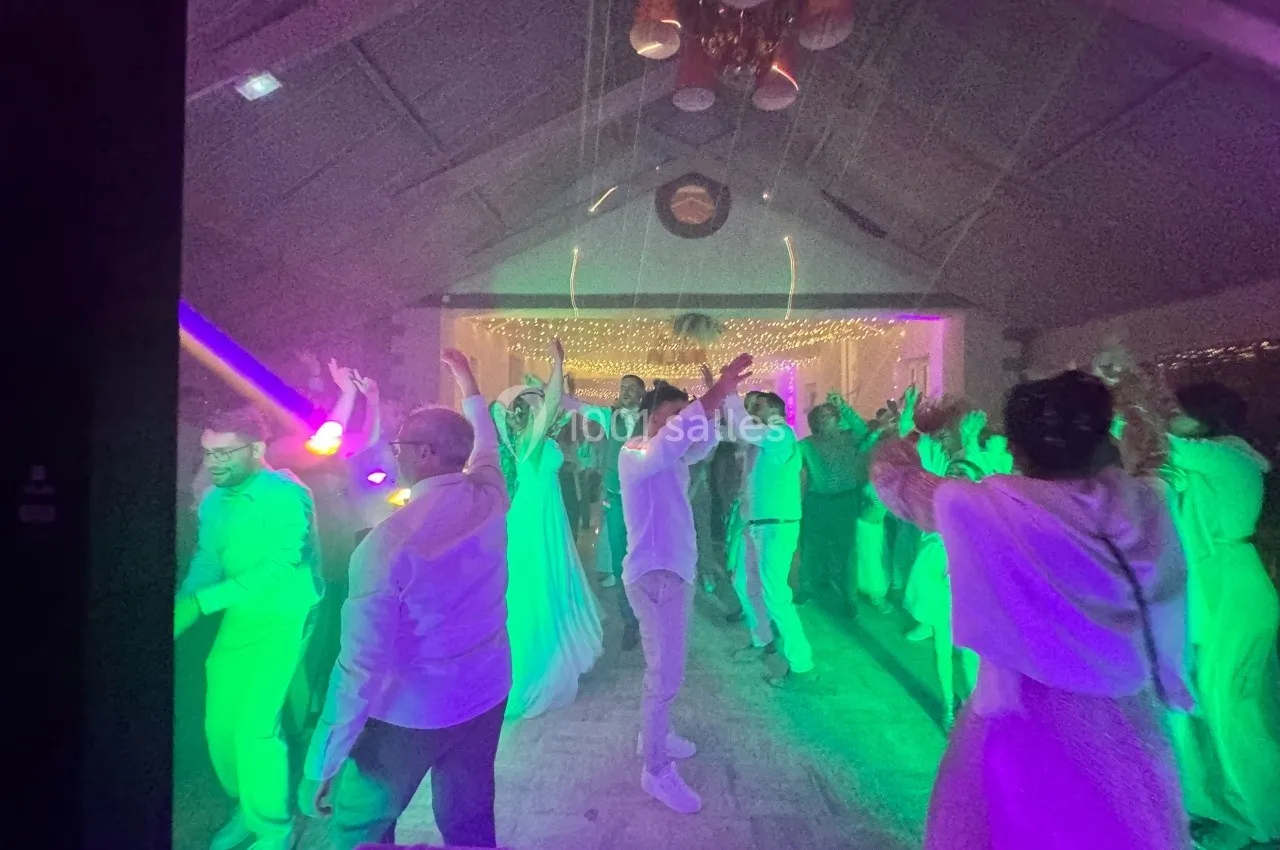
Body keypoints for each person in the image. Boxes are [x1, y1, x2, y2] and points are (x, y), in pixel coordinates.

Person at [872, 370, 1194, 850]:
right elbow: (1167, 592)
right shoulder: (1144, 503)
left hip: (1022, 714)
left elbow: (891, 477)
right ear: (1101, 437)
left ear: (1016, 449)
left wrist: (909, 430)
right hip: (1122, 715)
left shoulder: (982, 506)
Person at [297, 350, 511, 849]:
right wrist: (468, 383)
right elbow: (487, 445)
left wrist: (323, 762)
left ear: (425, 454)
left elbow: (359, 666)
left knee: (360, 828)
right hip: (485, 689)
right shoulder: (489, 497)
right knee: (470, 818)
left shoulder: (385, 546)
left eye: (401, 445)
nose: (395, 454)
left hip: (411, 711)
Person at [174, 407, 323, 850]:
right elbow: (208, 559)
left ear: (257, 449)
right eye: (208, 452)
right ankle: (248, 806)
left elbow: (282, 564)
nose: (212, 462)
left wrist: (203, 603)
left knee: (255, 725)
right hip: (242, 614)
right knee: (219, 724)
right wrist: (186, 601)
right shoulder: (215, 500)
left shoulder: (287, 493)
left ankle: (274, 828)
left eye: (224, 453)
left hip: (287, 616)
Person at [618, 355, 754, 814]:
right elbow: (675, 441)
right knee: (664, 675)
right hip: (656, 576)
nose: (680, 422)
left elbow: (702, 444)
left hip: (672, 571)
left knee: (667, 671)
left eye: (682, 413)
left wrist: (713, 403)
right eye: (673, 413)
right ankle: (655, 769)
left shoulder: (670, 455)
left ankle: (654, 734)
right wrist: (716, 393)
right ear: (652, 415)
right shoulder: (635, 452)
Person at [1159, 383, 1280, 848]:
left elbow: (1160, 441)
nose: (1170, 416)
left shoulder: (1231, 458)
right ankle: (1217, 805)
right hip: (1212, 592)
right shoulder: (1203, 461)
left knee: (1234, 710)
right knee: (1203, 703)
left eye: (1178, 409)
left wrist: (1128, 389)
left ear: (1205, 416)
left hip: (1234, 591)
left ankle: (1258, 814)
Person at [498, 340, 604, 719]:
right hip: (534, 517)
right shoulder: (529, 439)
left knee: (549, 579)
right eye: (535, 403)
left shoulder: (533, 437)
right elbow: (555, 401)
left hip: (544, 512)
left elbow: (558, 407)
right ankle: (535, 663)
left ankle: (550, 649)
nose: (543, 406)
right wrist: (558, 364)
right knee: (536, 583)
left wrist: (551, 381)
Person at [720, 389, 819, 691]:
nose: (751, 410)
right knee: (743, 583)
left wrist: (730, 395)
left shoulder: (780, 434)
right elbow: (732, 432)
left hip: (776, 527)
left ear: (774, 409)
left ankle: (802, 666)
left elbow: (744, 429)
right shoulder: (760, 439)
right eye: (748, 405)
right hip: (756, 525)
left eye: (756, 405)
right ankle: (763, 640)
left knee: (776, 595)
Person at [561, 373, 648, 648]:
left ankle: (649, 615)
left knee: (646, 560)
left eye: (631, 388)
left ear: (642, 393)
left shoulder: (652, 419)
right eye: (623, 387)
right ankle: (630, 621)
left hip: (647, 501)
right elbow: (578, 406)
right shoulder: (608, 416)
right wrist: (553, 388)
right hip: (617, 499)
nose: (625, 392)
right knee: (620, 560)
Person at [797, 394, 865, 610]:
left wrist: (843, 406)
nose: (823, 419)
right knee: (812, 546)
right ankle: (808, 587)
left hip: (845, 502)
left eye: (828, 415)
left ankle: (849, 597)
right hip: (816, 502)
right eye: (820, 416)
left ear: (837, 418)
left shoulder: (849, 438)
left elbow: (863, 429)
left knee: (846, 550)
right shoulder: (806, 445)